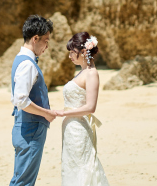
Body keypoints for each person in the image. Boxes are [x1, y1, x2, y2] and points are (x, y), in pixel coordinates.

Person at [53, 32, 110, 186]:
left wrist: (63, 112)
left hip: (79, 129)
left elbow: (91, 107)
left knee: (81, 168)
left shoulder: (91, 74)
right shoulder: (82, 72)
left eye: (72, 52)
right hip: (71, 128)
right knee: (71, 167)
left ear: (84, 52)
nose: (70, 56)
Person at [10, 15, 57, 186]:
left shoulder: (19, 60)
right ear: (35, 38)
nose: (46, 46)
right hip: (31, 130)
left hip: (23, 127)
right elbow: (20, 100)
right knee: (23, 182)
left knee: (20, 180)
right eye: (46, 40)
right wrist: (47, 113)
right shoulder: (28, 64)